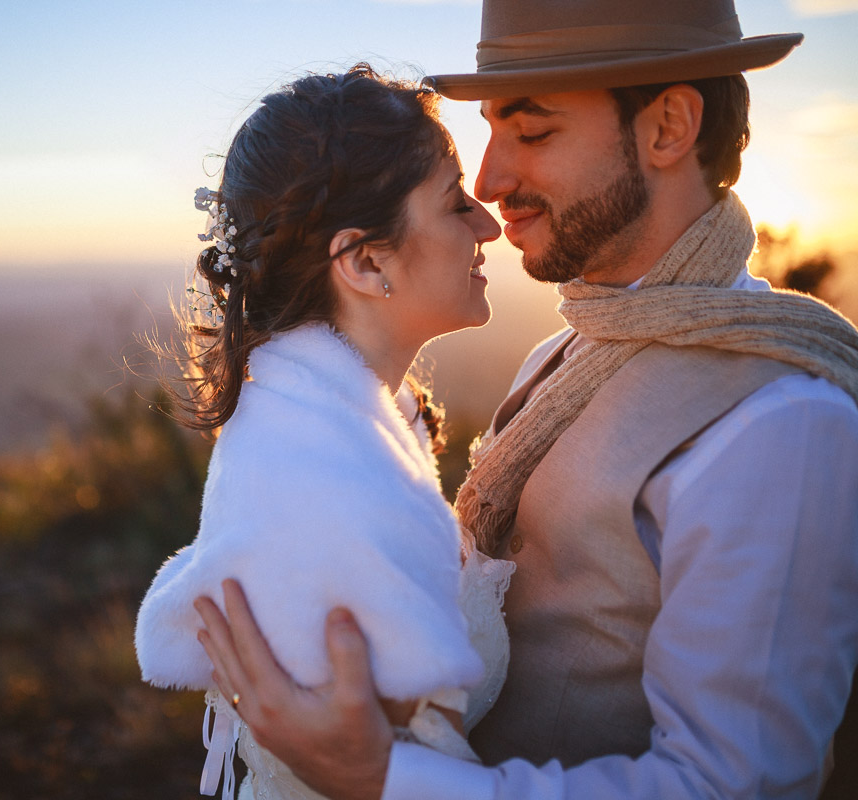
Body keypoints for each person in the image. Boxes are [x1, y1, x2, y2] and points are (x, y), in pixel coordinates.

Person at [193, 1, 858, 798]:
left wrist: (383, 778)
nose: (489, 181)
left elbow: (735, 786)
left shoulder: (781, 424)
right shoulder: (555, 358)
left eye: (532, 132)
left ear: (669, 127)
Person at [133, 65, 508, 799]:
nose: (488, 223)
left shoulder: (340, 430)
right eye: (455, 202)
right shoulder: (330, 490)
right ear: (366, 261)